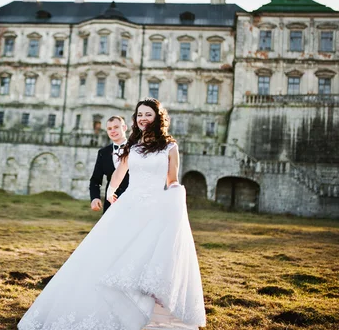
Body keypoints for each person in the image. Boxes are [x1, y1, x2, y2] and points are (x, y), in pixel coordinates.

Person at [18, 98, 206, 330]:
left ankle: (144, 304)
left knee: (145, 256)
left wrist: (177, 197)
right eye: (139, 115)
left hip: (155, 208)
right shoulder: (132, 146)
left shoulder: (170, 147)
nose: (143, 118)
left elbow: (172, 180)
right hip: (129, 206)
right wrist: (110, 193)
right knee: (110, 255)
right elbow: (118, 174)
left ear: (158, 117)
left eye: (148, 114)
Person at [89, 115, 130, 213]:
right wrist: (95, 198)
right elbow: (95, 180)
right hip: (110, 203)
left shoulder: (137, 150)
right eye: (109, 128)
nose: (113, 131)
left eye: (116, 127)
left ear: (124, 128)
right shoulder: (103, 152)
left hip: (132, 201)